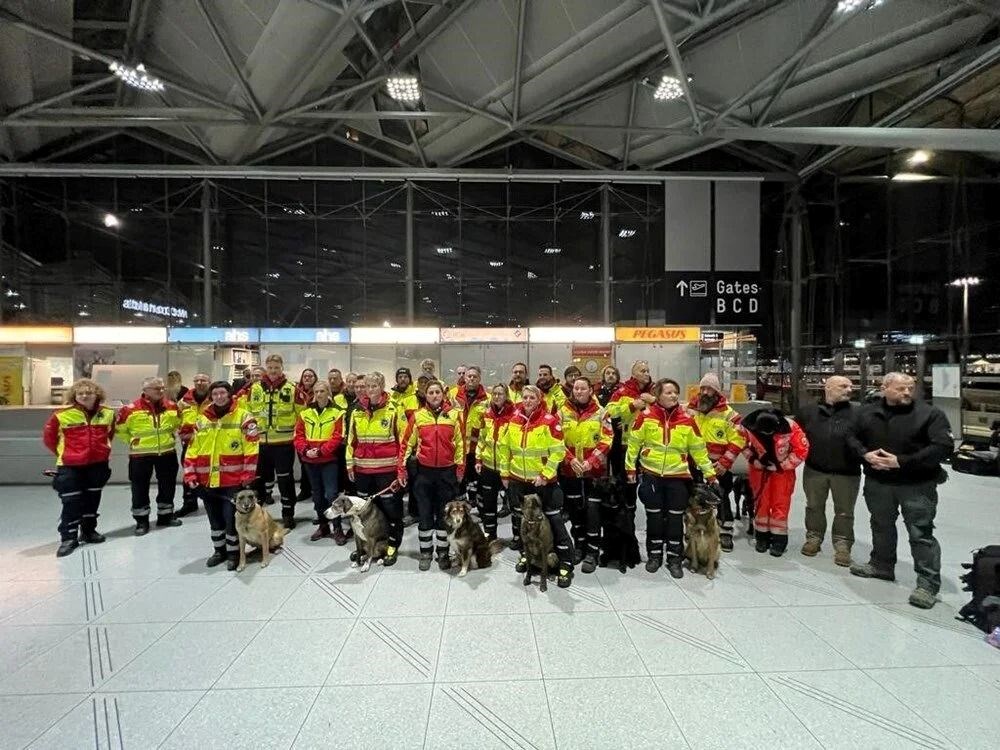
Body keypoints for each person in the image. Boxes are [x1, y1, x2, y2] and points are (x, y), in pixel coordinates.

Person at [847, 372, 953, 609]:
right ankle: (881, 565)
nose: (906, 393)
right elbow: (851, 436)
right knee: (881, 524)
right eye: (900, 388)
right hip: (879, 482)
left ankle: (927, 584)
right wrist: (864, 453)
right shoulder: (867, 412)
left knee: (920, 532)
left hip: (916, 485)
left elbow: (942, 446)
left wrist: (902, 461)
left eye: (910, 388)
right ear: (884, 388)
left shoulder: (929, 414)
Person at [627, 378, 717, 578]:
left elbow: (698, 449)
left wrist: (710, 474)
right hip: (651, 476)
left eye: (676, 392)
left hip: (678, 477)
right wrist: (630, 469)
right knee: (655, 518)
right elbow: (633, 444)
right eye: (668, 392)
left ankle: (674, 558)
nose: (674, 395)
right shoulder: (645, 417)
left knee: (676, 519)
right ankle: (654, 555)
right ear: (657, 395)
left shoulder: (687, 418)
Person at [500, 384, 575, 588]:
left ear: (539, 399)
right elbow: (503, 448)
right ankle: (528, 556)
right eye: (524, 397)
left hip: (544, 484)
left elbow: (558, 451)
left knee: (555, 523)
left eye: (532, 397)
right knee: (523, 523)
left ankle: (566, 563)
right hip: (518, 482)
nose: (527, 401)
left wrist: (545, 474)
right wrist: (505, 473)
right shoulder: (513, 421)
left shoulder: (549, 422)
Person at [183, 381, 259, 571]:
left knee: (231, 519)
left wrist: (248, 474)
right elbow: (192, 449)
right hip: (206, 480)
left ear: (230, 394)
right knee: (214, 519)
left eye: (222, 393)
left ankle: (234, 553)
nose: (218, 397)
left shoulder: (245, 417)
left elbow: (252, 447)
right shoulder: (202, 420)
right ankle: (219, 551)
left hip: (233, 480)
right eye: (215, 393)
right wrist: (190, 474)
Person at [42, 379, 115, 558]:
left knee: (92, 499)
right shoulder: (61, 414)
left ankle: (89, 531)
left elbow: (110, 434)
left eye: (88, 392)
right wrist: (66, 453)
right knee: (71, 502)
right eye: (80, 393)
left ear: (96, 394)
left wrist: (102, 451)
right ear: (74, 395)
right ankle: (68, 538)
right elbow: (49, 439)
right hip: (70, 465)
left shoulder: (108, 413)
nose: (84, 396)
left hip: (97, 464)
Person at [796, 375, 863, 566]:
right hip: (815, 469)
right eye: (843, 386)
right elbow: (796, 437)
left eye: (851, 386)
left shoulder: (858, 413)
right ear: (828, 388)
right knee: (814, 506)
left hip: (847, 472)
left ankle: (842, 544)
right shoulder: (809, 412)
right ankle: (814, 538)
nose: (849, 390)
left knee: (844, 511)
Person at [399, 381, 465, 571]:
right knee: (425, 514)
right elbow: (406, 445)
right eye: (430, 392)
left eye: (437, 392)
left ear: (443, 395)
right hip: (424, 474)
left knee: (444, 516)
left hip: (447, 473)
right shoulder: (418, 417)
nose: (434, 395)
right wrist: (401, 469)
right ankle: (426, 552)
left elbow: (460, 445)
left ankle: (443, 554)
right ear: (425, 395)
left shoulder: (454, 415)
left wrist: (460, 468)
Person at [346, 372, 406, 566]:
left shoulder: (394, 409)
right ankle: (368, 548)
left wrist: (401, 470)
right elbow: (351, 440)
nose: (369, 390)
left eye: (374, 386)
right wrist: (350, 463)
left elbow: (404, 442)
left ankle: (391, 547)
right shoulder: (357, 411)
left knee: (391, 512)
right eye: (367, 386)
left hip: (387, 472)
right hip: (363, 471)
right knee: (367, 514)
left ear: (382, 386)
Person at [558, 376, 613, 574]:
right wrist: (570, 460)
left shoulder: (601, 412)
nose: (579, 391)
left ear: (591, 390)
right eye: (576, 388)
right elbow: (556, 440)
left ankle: (592, 551)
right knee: (575, 512)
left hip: (594, 474)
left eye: (583, 388)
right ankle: (579, 546)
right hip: (569, 472)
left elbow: (607, 439)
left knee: (593, 513)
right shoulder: (562, 412)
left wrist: (590, 462)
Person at [116, 376, 184, 535]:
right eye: (156, 388)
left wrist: (171, 438)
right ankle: (141, 521)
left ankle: (166, 515)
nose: (161, 391)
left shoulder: (172, 406)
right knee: (139, 487)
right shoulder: (130, 409)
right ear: (145, 391)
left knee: (168, 485)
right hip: (140, 455)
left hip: (167, 453)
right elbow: (120, 430)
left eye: (162, 388)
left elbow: (178, 423)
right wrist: (135, 442)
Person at [686, 373, 745, 552]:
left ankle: (725, 532)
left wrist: (725, 462)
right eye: (702, 388)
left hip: (718, 465)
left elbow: (740, 439)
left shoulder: (728, 414)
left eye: (709, 389)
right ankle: (693, 530)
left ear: (717, 392)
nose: (704, 392)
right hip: (693, 464)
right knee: (693, 498)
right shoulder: (689, 410)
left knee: (720, 497)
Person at [245, 354, 305, 529]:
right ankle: (258, 516)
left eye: (276, 368)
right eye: (270, 367)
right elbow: (247, 415)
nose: (273, 371)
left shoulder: (292, 389)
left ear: (281, 368)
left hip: (283, 444)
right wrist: (250, 437)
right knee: (259, 481)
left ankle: (288, 514)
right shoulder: (254, 389)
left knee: (285, 480)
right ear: (266, 367)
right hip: (260, 444)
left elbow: (302, 415)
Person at [741, 407, 809, 557]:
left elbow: (802, 449)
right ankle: (761, 537)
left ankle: (779, 540)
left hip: (782, 472)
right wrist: (753, 460)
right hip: (759, 470)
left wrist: (783, 465)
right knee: (761, 503)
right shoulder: (747, 427)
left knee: (781, 503)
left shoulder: (790, 427)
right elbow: (740, 443)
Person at [294, 380, 347, 543]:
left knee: (331, 494)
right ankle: (323, 526)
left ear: (328, 393)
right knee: (317, 495)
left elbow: (338, 436)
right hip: (310, 460)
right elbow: (298, 435)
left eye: (322, 391)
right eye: (316, 392)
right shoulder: (305, 413)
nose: (318, 395)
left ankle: (337, 528)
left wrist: (321, 451)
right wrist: (305, 450)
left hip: (329, 460)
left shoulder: (338, 413)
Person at [608, 360, 655, 506]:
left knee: (651, 487)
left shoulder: (655, 392)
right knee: (626, 485)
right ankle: (627, 513)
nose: (646, 373)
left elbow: (666, 412)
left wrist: (653, 401)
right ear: (633, 374)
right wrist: (631, 406)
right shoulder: (622, 392)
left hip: (651, 447)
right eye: (642, 371)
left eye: (648, 370)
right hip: (626, 446)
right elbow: (610, 412)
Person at [475, 383, 516, 540]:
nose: (497, 396)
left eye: (500, 394)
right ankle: (490, 534)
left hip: (509, 468)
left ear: (506, 396)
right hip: (488, 466)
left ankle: (517, 537)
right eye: (495, 394)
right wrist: (478, 458)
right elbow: (481, 438)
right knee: (488, 504)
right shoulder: (487, 414)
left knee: (513, 504)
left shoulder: (515, 416)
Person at [177, 372, 213, 516]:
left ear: (209, 382)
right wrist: (182, 433)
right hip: (190, 444)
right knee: (188, 474)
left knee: (211, 473)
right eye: (197, 380)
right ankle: (189, 503)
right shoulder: (184, 401)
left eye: (203, 380)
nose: (200, 383)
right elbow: (175, 418)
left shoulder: (214, 399)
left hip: (210, 444)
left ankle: (212, 502)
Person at [454, 365, 488, 498]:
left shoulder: (487, 399)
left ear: (479, 379)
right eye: (469, 376)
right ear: (464, 378)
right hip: (458, 447)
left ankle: (474, 502)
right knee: (459, 479)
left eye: (475, 376)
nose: (471, 379)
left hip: (477, 449)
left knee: (475, 480)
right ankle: (461, 505)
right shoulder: (453, 395)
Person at [295, 368, 320, 502]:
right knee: (304, 463)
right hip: (300, 432)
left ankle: (314, 490)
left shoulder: (319, 392)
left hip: (315, 432)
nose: (307, 378)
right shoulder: (296, 392)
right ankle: (305, 490)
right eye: (305, 376)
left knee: (313, 464)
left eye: (311, 376)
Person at [597, 365, 624, 479]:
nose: (611, 375)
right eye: (608, 373)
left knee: (618, 463)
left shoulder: (623, 391)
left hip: (618, 431)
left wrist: (626, 422)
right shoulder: (596, 390)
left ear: (617, 376)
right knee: (601, 464)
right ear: (603, 376)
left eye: (613, 373)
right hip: (601, 432)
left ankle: (618, 489)